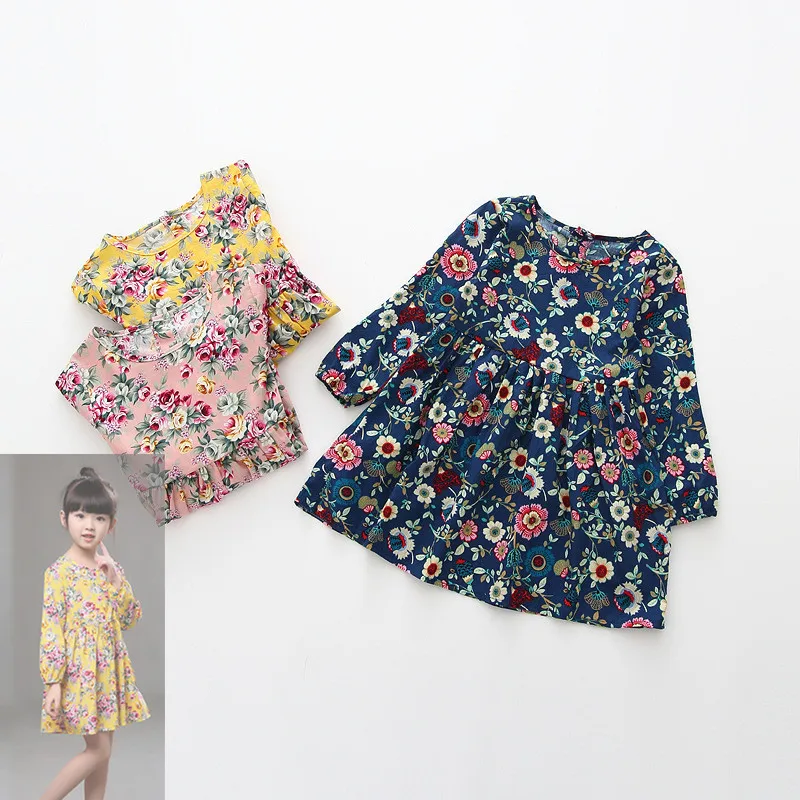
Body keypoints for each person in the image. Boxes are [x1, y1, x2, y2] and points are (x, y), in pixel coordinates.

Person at [38, 466, 149, 800]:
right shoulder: (59, 573)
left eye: (99, 518)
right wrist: (53, 682)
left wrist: (115, 580)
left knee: (104, 755)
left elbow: (130, 618)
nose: (89, 526)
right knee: (98, 751)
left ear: (111, 524)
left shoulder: (110, 571)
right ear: (64, 518)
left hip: (108, 673)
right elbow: (52, 628)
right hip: (79, 674)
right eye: (81, 515)